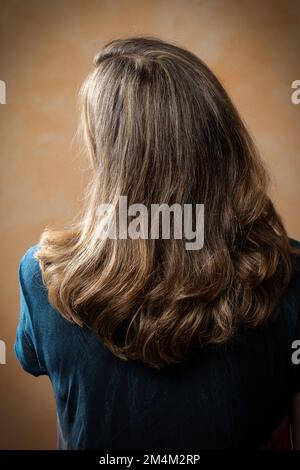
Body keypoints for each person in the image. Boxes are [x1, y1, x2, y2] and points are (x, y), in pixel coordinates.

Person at [15, 37, 300, 450]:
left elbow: (73, 423)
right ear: (223, 138)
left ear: (110, 157)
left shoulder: (45, 278)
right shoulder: (287, 274)